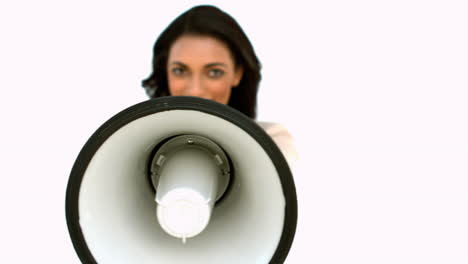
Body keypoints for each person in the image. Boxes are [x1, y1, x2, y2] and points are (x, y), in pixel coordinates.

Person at [142, 5, 297, 165]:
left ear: (237, 73)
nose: (195, 90)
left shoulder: (273, 141)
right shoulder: (135, 140)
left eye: (214, 72)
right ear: (165, 72)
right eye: (180, 71)